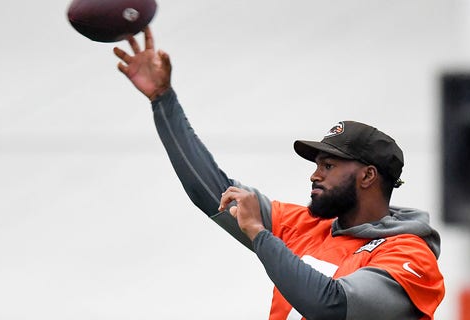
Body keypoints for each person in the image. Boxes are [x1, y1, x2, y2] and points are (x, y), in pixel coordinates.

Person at [113, 27, 445, 320]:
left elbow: (329, 306)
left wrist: (260, 234)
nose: (315, 175)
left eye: (328, 166)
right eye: (316, 166)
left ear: (368, 176)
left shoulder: (409, 254)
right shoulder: (306, 225)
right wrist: (162, 99)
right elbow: (210, 191)